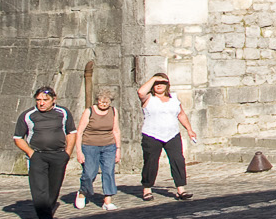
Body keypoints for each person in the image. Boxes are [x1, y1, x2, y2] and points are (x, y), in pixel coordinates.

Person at [12, 86, 77, 219]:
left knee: (54, 187)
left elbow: (71, 132)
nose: (41, 103)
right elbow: (18, 138)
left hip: (58, 155)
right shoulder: (28, 115)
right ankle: (44, 217)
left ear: (54, 100)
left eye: (45, 100)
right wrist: (31, 153)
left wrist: (68, 152)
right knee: (39, 187)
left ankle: (48, 211)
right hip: (38, 155)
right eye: (38, 100)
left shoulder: (63, 113)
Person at [135, 72, 197, 200]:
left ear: (167, 84)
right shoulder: (148, 98)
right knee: (151, 162)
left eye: (162, 83)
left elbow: (181, 114)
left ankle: (181, 189)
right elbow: (141, 92)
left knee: (177, 159)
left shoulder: (173, 98)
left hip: (172, 134)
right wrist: (153, 79)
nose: (159, 85)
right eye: (156, 83)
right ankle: (147, 189)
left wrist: (189, 129)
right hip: (152, 134)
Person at [73, 90, 121, 210]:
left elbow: (116, 130)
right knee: (89, 173)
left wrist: (118, 149)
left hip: (109, 145)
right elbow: (79, 132)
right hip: (90, 145)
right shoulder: (89, 111)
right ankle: (82, 192)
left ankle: (107, 200)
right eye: (101, 102)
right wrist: (78, 151)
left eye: (106, 102)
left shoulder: (114, 111)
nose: (103, 104)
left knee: (109, 171)